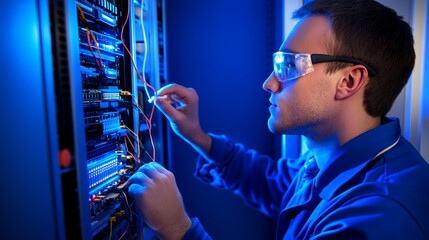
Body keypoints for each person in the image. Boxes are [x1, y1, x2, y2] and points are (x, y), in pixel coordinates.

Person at [127, 0, 429, 239]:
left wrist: (180, 231)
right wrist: (197, 135)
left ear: (349, 81)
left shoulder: (377, 218)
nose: (269, 83)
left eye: (287, 65)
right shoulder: (332, 158)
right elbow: (269, 181)